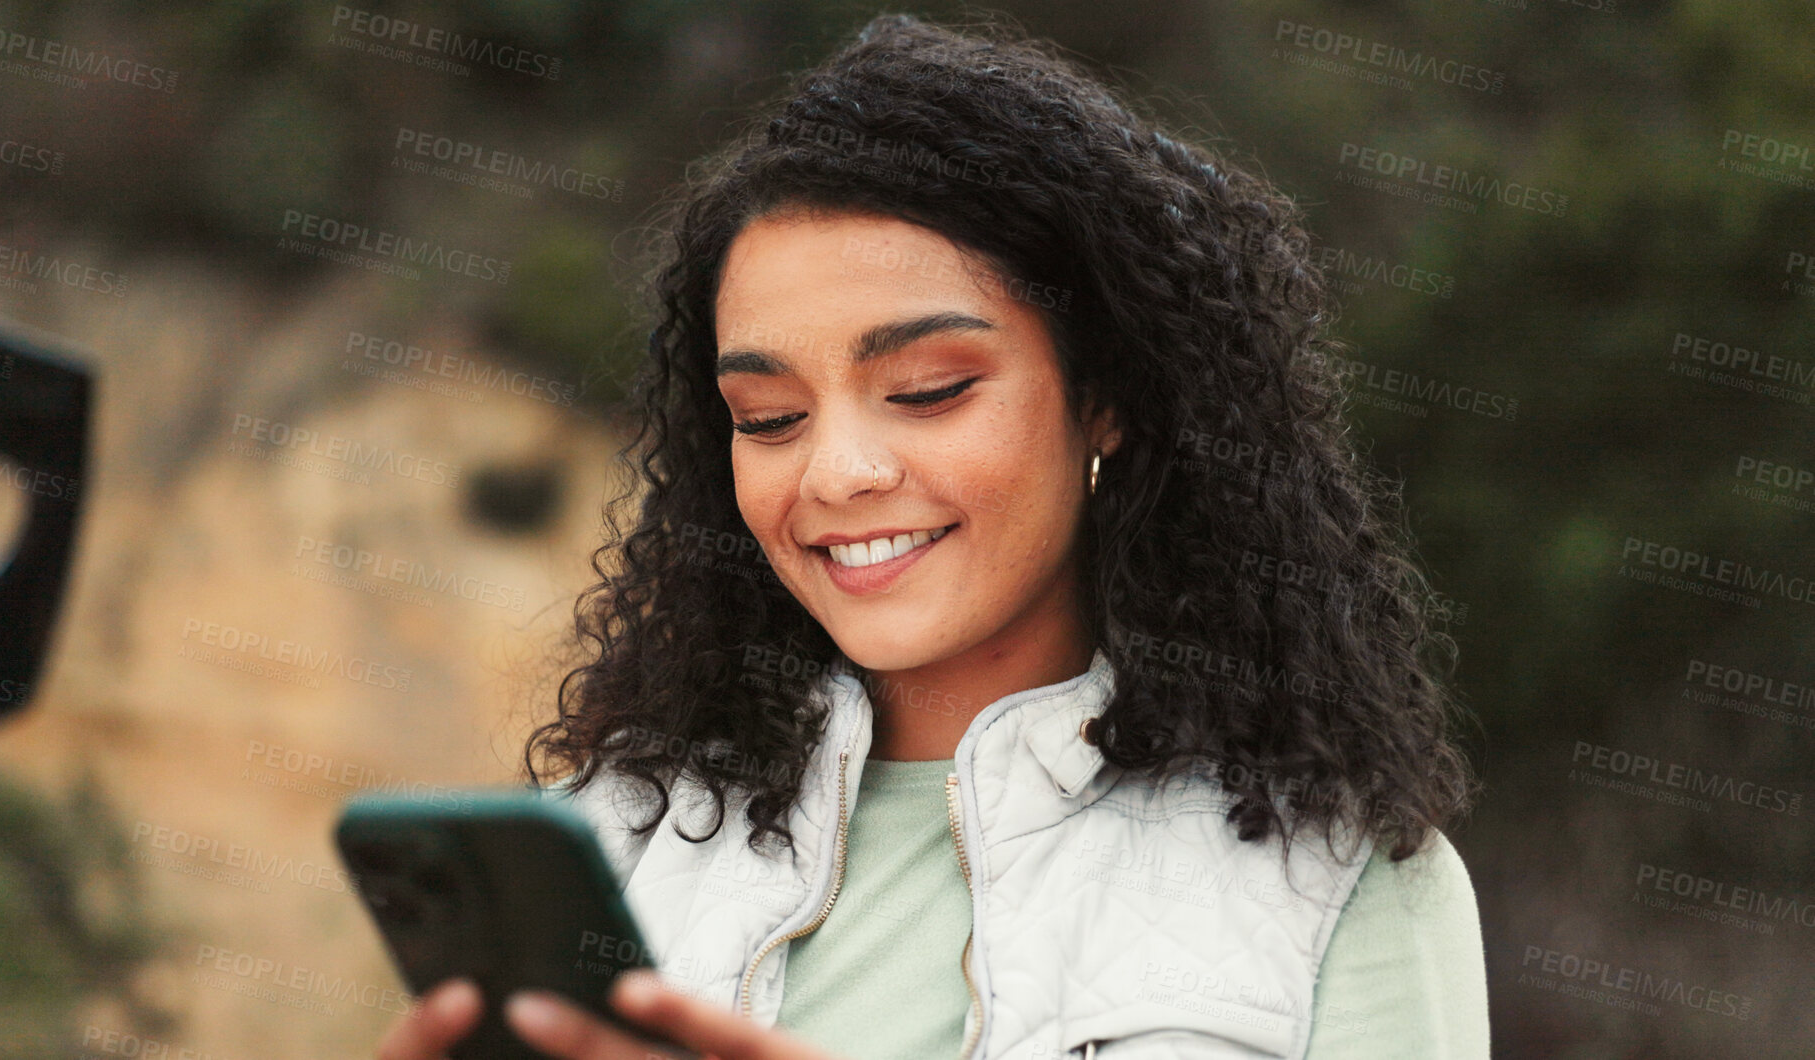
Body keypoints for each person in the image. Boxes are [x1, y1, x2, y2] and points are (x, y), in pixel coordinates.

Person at [380, 13, 1486, 1060]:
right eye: (768, 417)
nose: (837, 472)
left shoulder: (1339, 881)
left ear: (1103, 395)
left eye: (926, 389)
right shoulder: (606, 857)